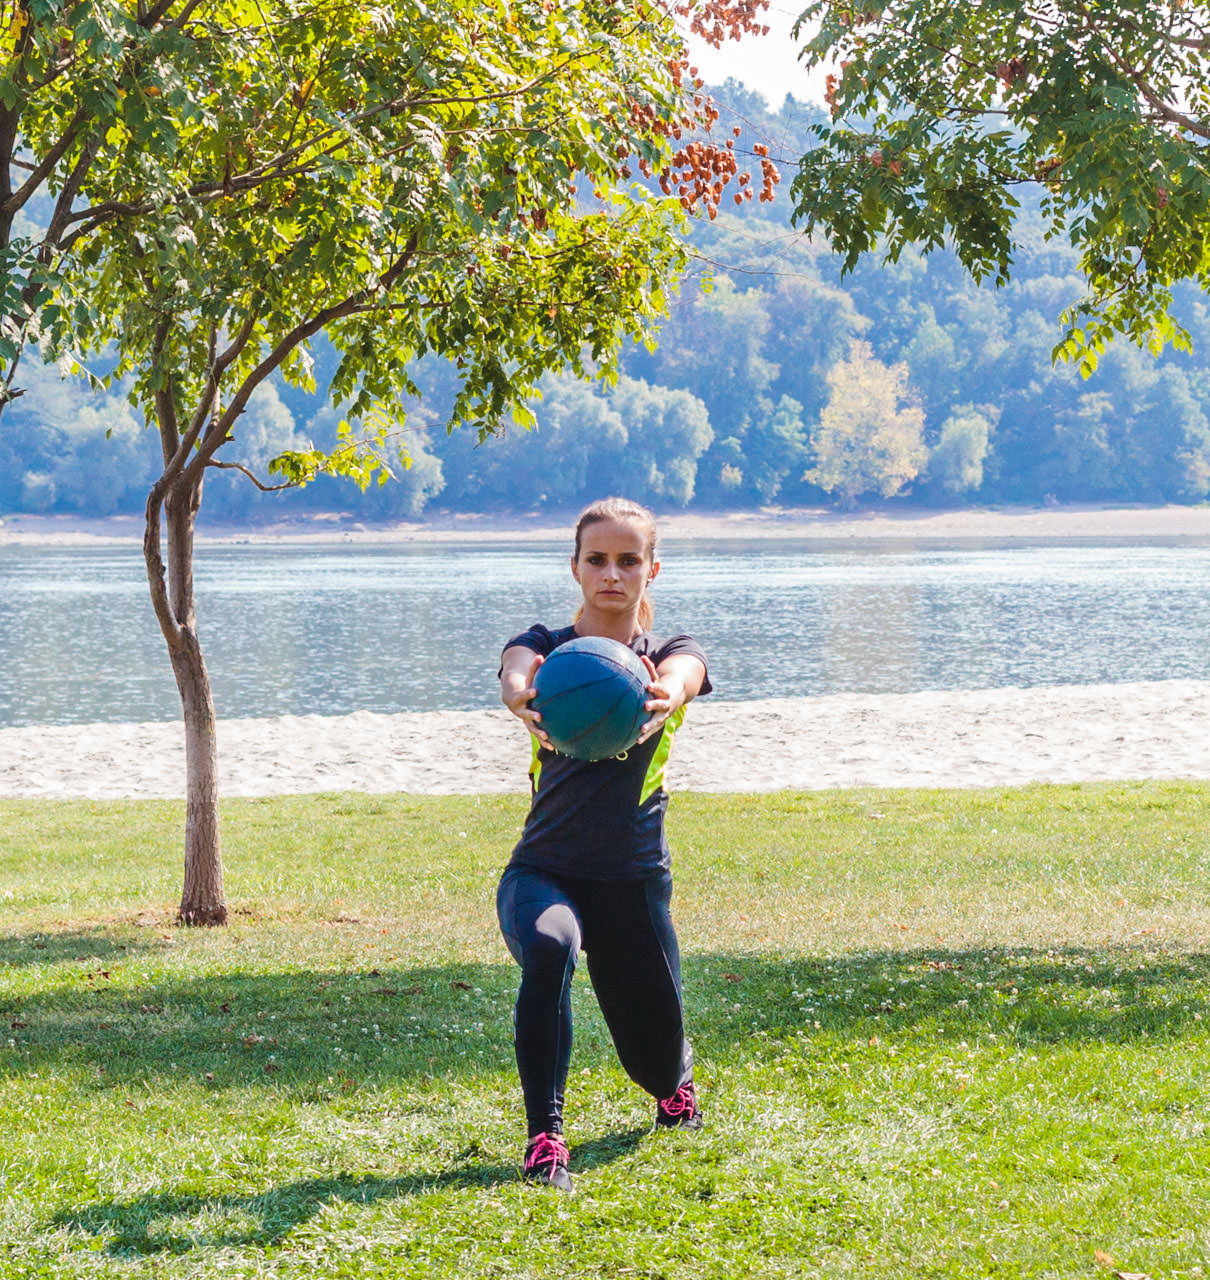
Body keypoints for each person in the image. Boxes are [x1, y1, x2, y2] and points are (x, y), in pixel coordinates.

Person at [496, 496, 711, 1193]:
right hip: (544, 869)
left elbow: (689, 676)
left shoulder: (669, 658)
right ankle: (545, 1140)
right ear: (575, 567)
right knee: (551, 946)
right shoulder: (547, 652)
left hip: (633, 881)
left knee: (654, 1060)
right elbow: (516, 667)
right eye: (597, 559)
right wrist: (517, 690)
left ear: (652, 569)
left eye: (627, 560)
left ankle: (672, 1082)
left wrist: (667, 693)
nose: (611, 574)